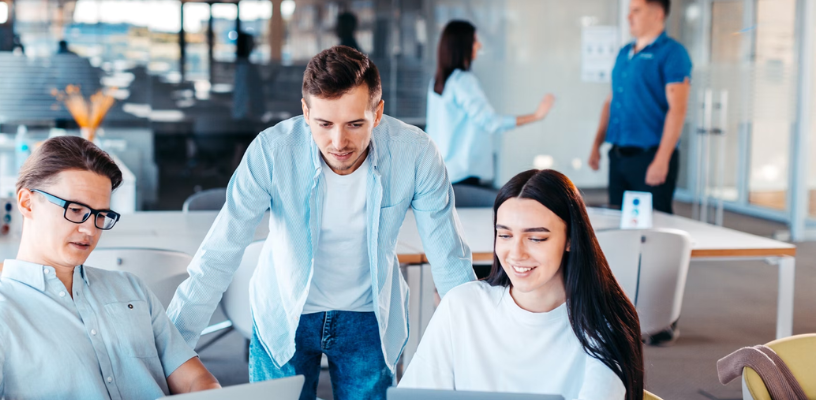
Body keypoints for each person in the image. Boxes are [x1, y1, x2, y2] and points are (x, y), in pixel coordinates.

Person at [167, 46, 475, 400]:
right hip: (284, 313)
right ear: (306, 112)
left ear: (377, 113)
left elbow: (449, 260)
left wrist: (476, 352)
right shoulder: (271, 151)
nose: (338, 142)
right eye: (324, 124)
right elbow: (219, 254)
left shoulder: (416, 153)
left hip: (369, 319)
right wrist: (171, 353)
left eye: (355, 124)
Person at [0, 136, 220, 400]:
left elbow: (197, 381)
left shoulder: (132, 289)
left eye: (100, 215)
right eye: (75, 210)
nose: (89, 229)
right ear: (27, 203)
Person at [399, 169, 645, 400]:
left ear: (571, 239)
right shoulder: (462, 306)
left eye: (536, 238)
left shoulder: (602, 325)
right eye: (505, 235)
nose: (516, 253)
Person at [588, 0, 691, 214]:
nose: (629, 17)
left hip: (650, 157)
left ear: (657, 14)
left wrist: (662, 159)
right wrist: (597, 144)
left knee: (653, 224)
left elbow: (678, 109)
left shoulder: (672, 53)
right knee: (617, 220)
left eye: (636, 11)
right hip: (618, 156)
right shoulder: (624, 52)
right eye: (629, 11)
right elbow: (611, 100)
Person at [426, 20, 555, 187]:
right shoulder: (464, 81)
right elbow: (491, 122)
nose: (479, 45)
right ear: (462, 45)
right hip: (463, 174)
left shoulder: (438, 82)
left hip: (443, 171)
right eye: (475, 40)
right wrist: (536, 116)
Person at [232, 32, 266, 121]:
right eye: (251, 42)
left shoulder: (240, 65)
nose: (253, 45)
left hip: (244, 112)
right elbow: (247, 90)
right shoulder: (245, 66)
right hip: (247, 113)